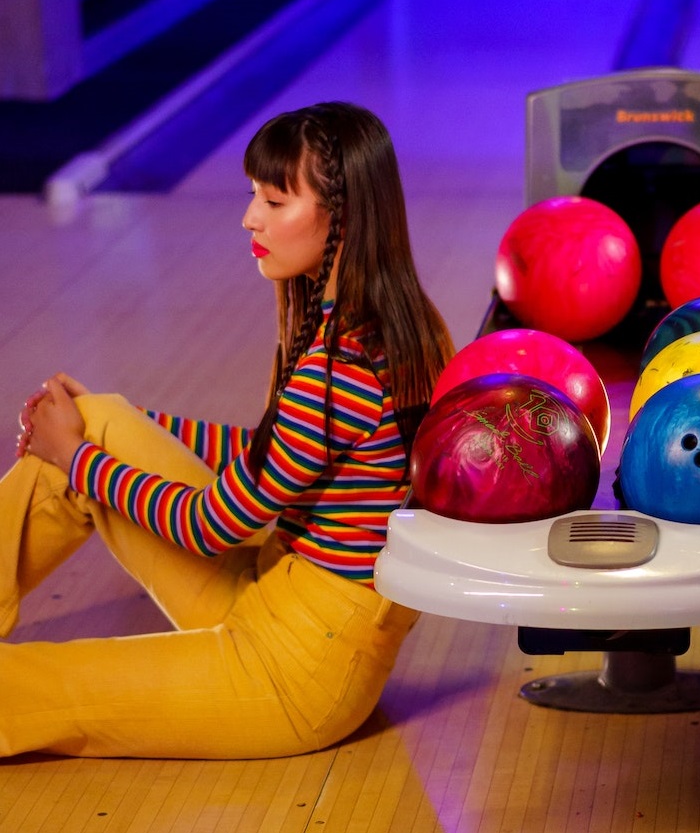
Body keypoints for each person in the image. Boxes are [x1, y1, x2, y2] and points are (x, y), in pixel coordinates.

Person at [1, 101, 454, 759]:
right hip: (276, 599)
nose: (250, 218)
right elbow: (272, 456)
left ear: (343, 218)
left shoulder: (341, 367)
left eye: (273, 200)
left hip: (294, 672)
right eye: (253, 196)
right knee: (100, 416)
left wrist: (72, 455)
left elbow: (214, 524)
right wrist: (112, 425)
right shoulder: (395, 320)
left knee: (28, 685)